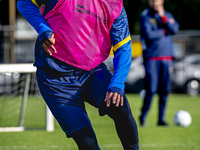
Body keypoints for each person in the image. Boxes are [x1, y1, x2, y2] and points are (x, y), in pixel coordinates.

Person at [17, 0, 139, 149]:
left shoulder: (115, 7)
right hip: (55, 81)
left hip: (92, 72)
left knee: (120, 106)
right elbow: (24, 2)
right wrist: (43, 28)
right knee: (88, 144)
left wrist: (117, 84)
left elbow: (123, 48)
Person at [139, 0, 179, 126]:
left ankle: (161, 119)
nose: (155, 2)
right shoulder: (145, 16)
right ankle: (143, 117)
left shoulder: (167, 15)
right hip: (152, 58)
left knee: (165, 90)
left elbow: (174, 29)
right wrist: (164, 31)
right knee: (151, 89)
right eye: (152, 0)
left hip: (167, 58)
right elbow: (149, 34)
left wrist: (163, 18)